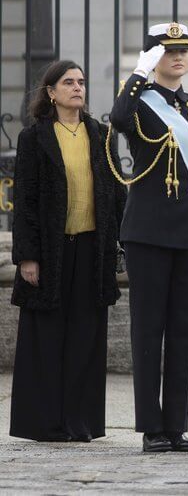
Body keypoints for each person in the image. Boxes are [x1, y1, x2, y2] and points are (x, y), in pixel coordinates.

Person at [109, 22, 188, 453]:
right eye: (167, 51)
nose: (177, 57)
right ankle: (151, 427)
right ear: (153, 57)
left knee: (183, 331)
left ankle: (176, 425)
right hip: (148, 232)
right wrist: (137, 75)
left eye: (183, 51)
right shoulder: (139, 102)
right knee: (147, 331)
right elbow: (118, 119)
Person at [9, 60, 125, 442]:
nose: (77, 88)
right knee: (47, 337)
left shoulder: (101, 134)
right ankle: (45, 423)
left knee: (86, 337)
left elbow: (116, 192)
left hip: (92, 250)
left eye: (81, 82)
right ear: (51, 92)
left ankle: (81, 422)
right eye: (68, 82)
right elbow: (25, 200)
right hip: (50, 252)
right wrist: (27, 256)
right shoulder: (34, 137)